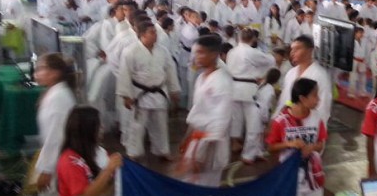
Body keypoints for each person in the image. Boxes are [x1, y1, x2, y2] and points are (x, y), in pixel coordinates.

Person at [33, 54, 77, 196]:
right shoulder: (55, 93)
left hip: (58, 162)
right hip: (56, 159)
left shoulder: (59, 97)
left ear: (55, 73)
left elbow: (55, 137)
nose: (37, 74)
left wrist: (46, 170)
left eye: (42, 69)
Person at [57, 106, 122, 196]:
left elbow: (114, 186)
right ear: (87, 129)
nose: (102, 128)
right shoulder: (69, 161)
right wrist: (108, 171)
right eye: (99, 125)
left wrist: (102, 191)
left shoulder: (100, 152)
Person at [116, 20, 180, 160]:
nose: (156, 35)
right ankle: (134, 153)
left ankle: (162, 151)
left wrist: (174, 90)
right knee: (137, 126)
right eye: (152, 32)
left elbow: (170, 70)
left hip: (159, 92)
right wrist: (126, 96)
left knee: (161, 125)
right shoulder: (130, 51)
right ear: (143, 34)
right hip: (140, 93)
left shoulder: (163, 51)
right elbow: (124, 74)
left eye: (155, 32)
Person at [179, 34, 233, 187]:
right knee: (191, 184)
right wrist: (187, 136)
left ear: (214, 54)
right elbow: (197, 110)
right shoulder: (201, 78)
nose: (196, 57)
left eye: (200, 52)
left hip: (211, 145)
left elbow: (221, 120)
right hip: (197, 138)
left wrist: (201, 155)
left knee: (206, 186)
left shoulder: (222, 80)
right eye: (195, 52)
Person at [266, 78, 327, 196]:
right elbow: (270, 147)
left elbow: (321, 144)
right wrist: (289, 144)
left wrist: (312, 147)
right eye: (315, 95)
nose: (318, 99)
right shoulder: (281, 121)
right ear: (302, 99)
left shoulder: (317, 117)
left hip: (313, 177)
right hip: (290, 177)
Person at [226, 28, 276, 164]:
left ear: (239, 37)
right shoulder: (252, 52)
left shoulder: (231, 52)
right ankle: (248, 154)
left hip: (233, 88)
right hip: (248, 90)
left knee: (236, 120)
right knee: (254, 123)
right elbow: (271, 61)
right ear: (253, 39)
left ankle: (252, 149)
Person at [274, 35, 333, 124]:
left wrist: (317, 127)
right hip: (288, 123)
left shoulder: (320, 75)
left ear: (309, 51)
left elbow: (323, 107)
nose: (292, 53)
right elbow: (284, 100)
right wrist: (276, 119)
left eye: (297, 49)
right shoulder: (291, 73)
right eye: (292, 49)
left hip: (310, 125)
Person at [252, 68, 281, 161]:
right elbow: (264, 105)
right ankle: (256, 153)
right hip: (260, 111)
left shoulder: (263, 85)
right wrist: (265, 119)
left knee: (257, 133)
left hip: (255, 109)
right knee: (258, 134)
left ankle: (258, 153)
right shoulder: (270, 90)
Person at [348, 26, 370, 99]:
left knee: (363, 77)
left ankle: (362, 92)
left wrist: (366, 61)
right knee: (353, 77)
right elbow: (349, 52)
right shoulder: (351, 41)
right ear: (355, 33)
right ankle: (351, 93)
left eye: (362, 33)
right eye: (360, 33)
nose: (361, 34)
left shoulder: (364, 41)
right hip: (354, 60)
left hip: (362, 60)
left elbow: (366, 51)